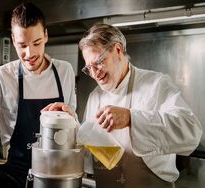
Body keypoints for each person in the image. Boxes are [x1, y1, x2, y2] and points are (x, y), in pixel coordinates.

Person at [46, 23, 203, 188]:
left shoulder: (156, 84)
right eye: (89, 68)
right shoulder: (95, 97)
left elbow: (191, 131)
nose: (95, 73)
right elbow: (88, 154)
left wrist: (131, 118)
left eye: (99, 62)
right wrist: (71, 124)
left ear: (118, 50)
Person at [0, 2, 76, 188]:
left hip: (57, 175)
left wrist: (71, 116)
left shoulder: (64, 71)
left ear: (45, 35)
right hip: (16, 177)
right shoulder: (2, 76)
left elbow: (72, 124)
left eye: (36, 43)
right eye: (22, 45)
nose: (29, 53)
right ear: (13, 40)